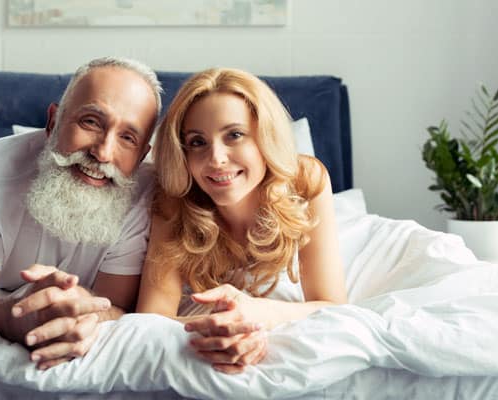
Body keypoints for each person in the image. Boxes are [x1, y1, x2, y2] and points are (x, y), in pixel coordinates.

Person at [0, 57, 162, 370]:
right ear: (52, 121)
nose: (103, 153)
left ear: (142, 156)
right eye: (91, 122)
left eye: (127, 138)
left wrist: (85, 313)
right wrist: (14, 316)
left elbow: (118, 306)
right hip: (1, 180)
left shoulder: (145, 193)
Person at [136, 68, 347, 374]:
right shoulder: (173, 198)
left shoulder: (307, 180)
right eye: (197, 142)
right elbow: (152, 317)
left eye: (234, 135)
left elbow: (331, 305)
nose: (216, 158)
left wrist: (255, 314)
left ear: (266, 137)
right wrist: (230, 329)